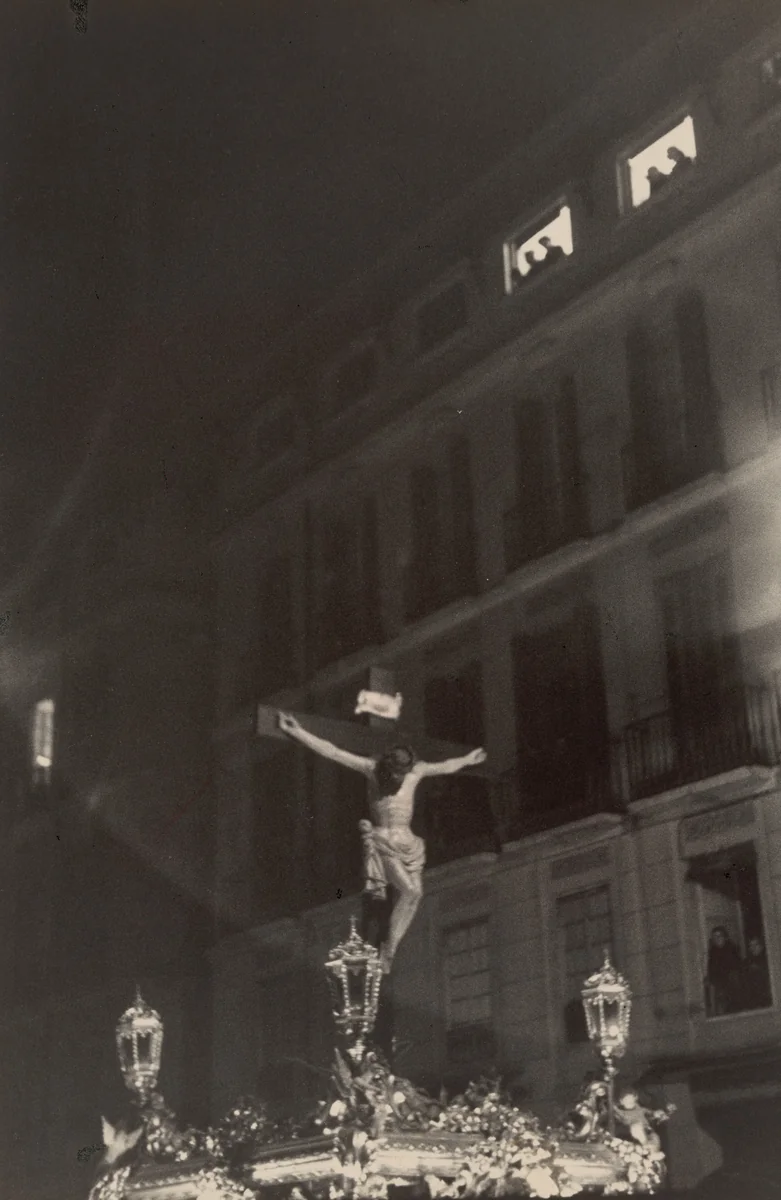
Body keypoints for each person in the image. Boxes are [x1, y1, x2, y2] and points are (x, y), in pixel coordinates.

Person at [277, 712, 486, 972]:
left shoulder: (417, 771)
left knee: (416, 893)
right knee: (410, 891)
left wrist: (468, 759)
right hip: (384, 841)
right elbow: (333, 752)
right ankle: (387, 950)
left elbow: (445, 765)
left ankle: (391, 947)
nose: (397, 782)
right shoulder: (371, 769)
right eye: (393, 776)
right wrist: (298, 732)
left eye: (400, 776)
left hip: (409, 843)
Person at [704, 925, 741, 1015]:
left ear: (725, 937)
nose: (717, 939)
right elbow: (711, 968)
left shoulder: (731, 948)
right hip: (718, 980)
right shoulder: (713, 952)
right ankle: (714, 1012)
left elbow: (735, 966)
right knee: (709, 985)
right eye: (714, 937)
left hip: (730, 979)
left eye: (719, 936)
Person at [742, 935, 772, 1010]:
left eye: (756, 945)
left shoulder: (768, 958)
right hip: (751, 994)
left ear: (761, 946)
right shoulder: (747, 961)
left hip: (766, 993)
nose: (753, 948)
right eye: (751, 946)